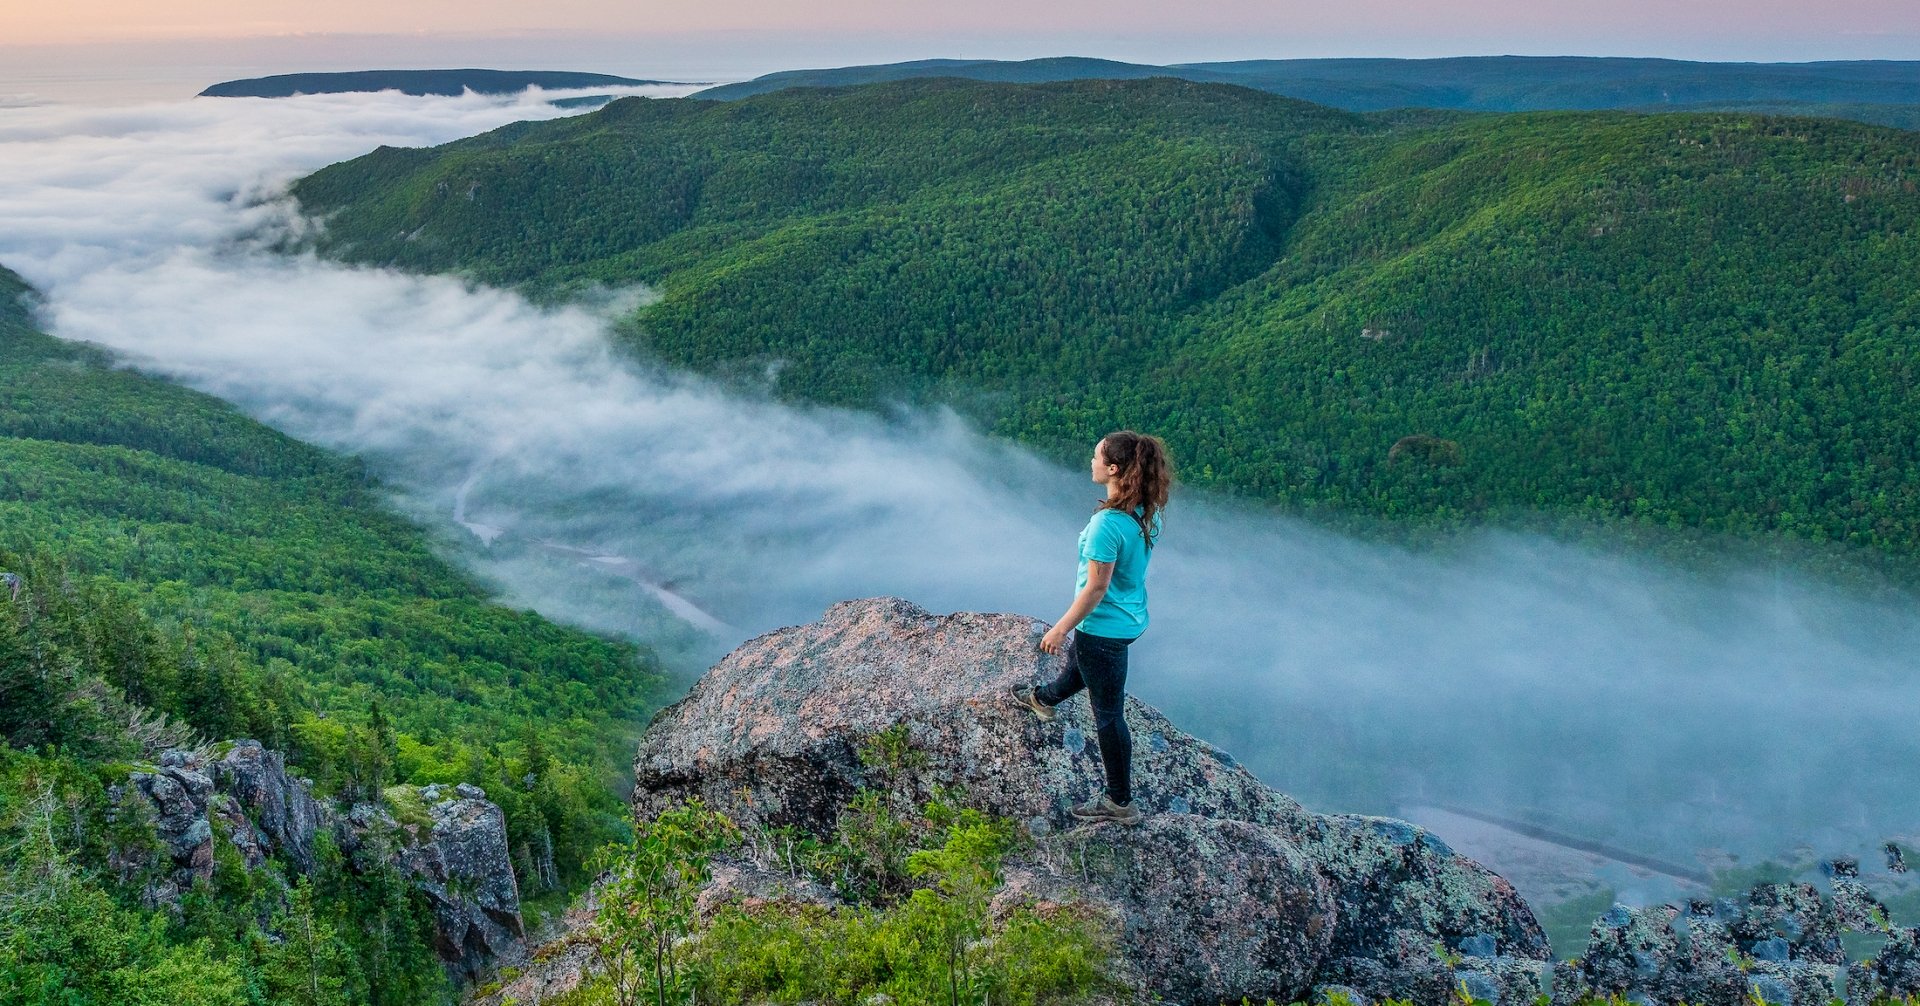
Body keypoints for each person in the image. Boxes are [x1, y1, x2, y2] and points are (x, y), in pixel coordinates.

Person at [1011, 430, 1171, 826]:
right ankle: (1043, 699)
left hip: (1103, 627)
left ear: (1113, 469)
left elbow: (1096, 587)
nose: (1091, 462)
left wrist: (1062, 627)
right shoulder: (1146, 511)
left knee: (1108, 715)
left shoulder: (1106, 526)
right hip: (1130, 617)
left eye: (1097, 457)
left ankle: (1120, 802)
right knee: (1085, 667)